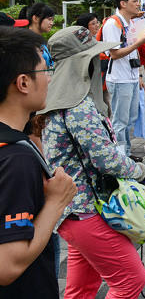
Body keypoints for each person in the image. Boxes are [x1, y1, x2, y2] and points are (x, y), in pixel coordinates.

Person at [40, 26, 145, 299]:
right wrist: (138, 170)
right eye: (93, 57)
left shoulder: (55, 102)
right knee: (130, 280)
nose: (99, 61)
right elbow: (106, 159)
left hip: (72, 212)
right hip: (88, 210)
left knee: (81, 290)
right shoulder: (78, 106)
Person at [0, 27, 76, 298]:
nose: (50, 79)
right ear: (23, 82)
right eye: (46, 70)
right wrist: (57, 201)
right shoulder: (16, 159)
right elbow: (7, 265)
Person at [103, 0, 145, 160]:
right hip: (119, 78)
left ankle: (126, 153)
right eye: (135, 1)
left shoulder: (130, 23)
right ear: (123, 4)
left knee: (131, 118)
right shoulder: (113, 24)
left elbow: (134, 52)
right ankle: (120, 156)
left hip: (130, 77)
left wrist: (138, 75)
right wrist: (139, 42)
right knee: (120, 121)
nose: (138, 4)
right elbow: (114, 53)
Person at [20, 3, 55, 67]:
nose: (51, 23)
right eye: (49, 19)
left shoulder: (40, 41)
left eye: (52, 20)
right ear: (36, 19)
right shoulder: (26, 42)